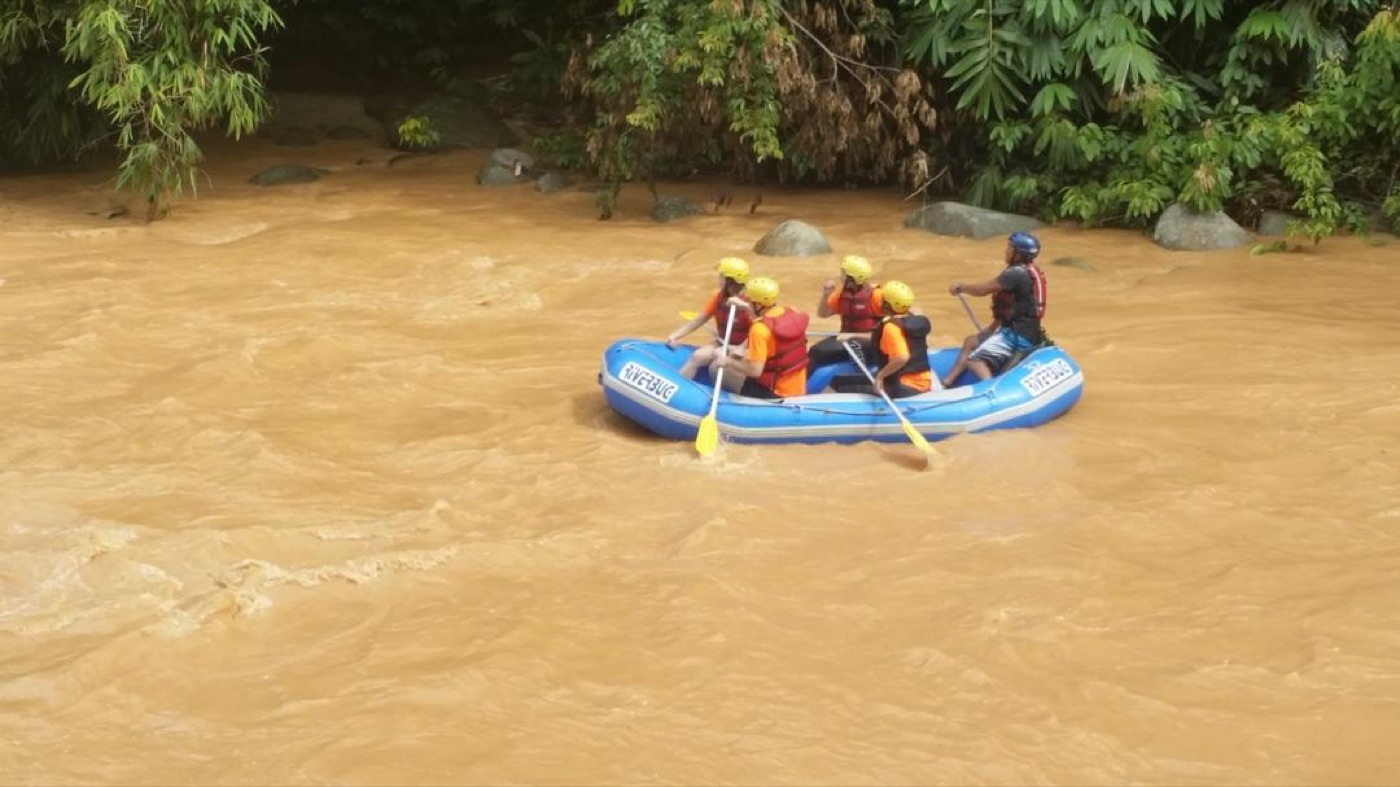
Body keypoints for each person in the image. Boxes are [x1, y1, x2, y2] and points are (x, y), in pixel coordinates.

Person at [946, 231, 1049, 383]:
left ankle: (990, 390)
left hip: (1017, 336)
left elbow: (982, 290)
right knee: (971, 341)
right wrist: (991, 329)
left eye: (1010, 248)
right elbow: (1011, 308)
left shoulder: (1015, 274)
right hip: (1020, 330)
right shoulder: (1029, 271)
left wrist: (961, 287)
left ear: (1019, 254)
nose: (1006, 251)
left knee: (975, 362)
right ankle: (947, 381)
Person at [829, 280, 933, 398]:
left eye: (882, 299)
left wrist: (880, 376)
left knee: (842, 387)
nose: (879, 300)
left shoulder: (891, 328)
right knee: (837, 380)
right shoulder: (912, 319)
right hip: (917, 380)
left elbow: (902, 357)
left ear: (888, 305)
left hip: (905, 385)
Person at [711, 277, 810, 399]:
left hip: (773, 392)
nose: (747, 302)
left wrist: (728, 361)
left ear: (757, 304)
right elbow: (769, 324)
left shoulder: (759, 330)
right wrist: (747, 308)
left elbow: (755, 371)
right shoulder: (790, 310)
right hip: (797, 387)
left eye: (749, 301)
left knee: (714, 368)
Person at [672, 256, 752, 380]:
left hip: (744, 349)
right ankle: (678, 386)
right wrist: (676, 335)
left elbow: (758, 330)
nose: (719, 279)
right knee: (698, 356)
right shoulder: (718, 297)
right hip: (722, 342)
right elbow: (700, 319)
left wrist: (741, 348)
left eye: (721, 277)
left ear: (729, 280)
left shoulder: (749, 303)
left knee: (717, 361)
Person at [807, 254, 884, 367]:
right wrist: (826, 295)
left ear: (851, 278)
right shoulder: (842, 295)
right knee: (815, 351)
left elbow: (885, 333)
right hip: (847, 340)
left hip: (870, 344)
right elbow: (823, 314)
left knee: (818, 352)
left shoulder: (877, 297)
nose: (841, 276)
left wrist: (851, 336)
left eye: (843, 273)